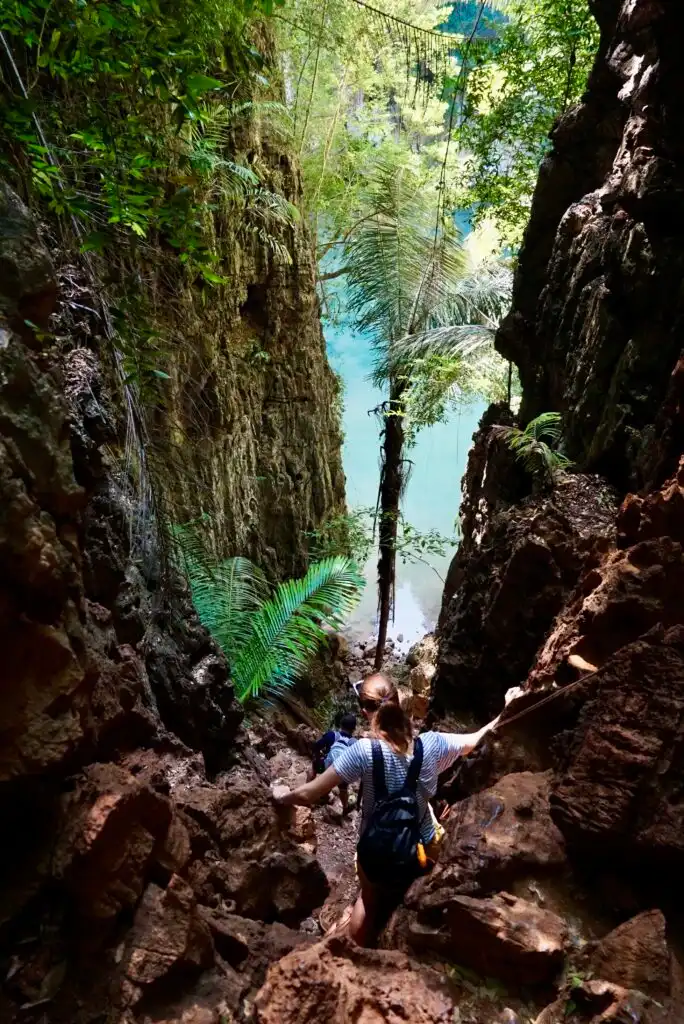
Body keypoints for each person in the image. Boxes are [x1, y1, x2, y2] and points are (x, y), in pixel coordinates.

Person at [274, 673, 503, 946]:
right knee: (409, 895)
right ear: (400, 701)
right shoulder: (431, 745)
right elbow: (476, 739)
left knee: (368, 905)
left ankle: (357, 954)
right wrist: (509, 706)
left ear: (365, 712)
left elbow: (310, 793)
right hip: (422, 850)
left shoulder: (364, 751)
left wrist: (281, 795)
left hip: (377, 853)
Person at [311, 711, 358, 813]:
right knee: (343, 788)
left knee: (314, 766)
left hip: (325, 769)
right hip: (342, 775)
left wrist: (318, 759)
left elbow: (316, 746)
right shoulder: (354, 743)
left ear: (340, 725)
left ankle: (309, 788)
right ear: (354, 729)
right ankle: (345, 807)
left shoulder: (332, 735)